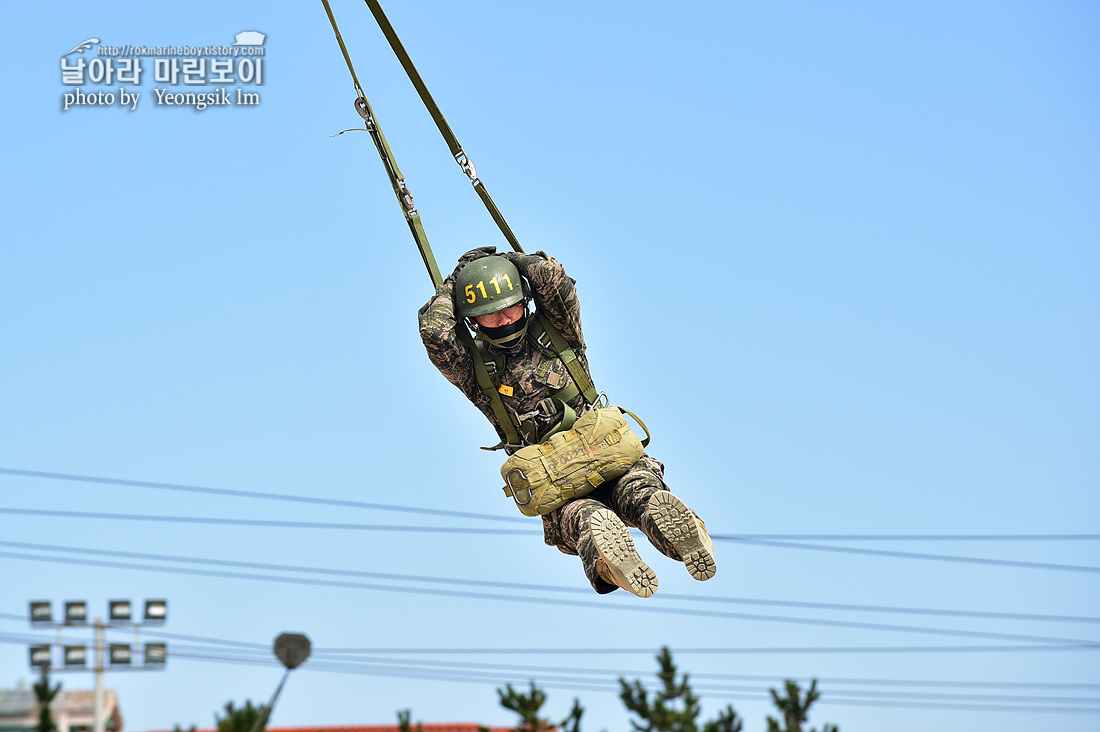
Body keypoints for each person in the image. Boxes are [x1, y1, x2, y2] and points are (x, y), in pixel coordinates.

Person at [418, 246, 715, 597]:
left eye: (511, 306)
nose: (505, 319)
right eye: (491, 314)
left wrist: (514, 262)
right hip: (556, 478)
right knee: (588, 520)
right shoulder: (473, 367)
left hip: (606, 453)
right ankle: (616, 560)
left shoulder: (559, 329)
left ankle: (682, 533)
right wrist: (452, 287)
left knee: (639, 495)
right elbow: (436, 333)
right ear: (471, 320)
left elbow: (551, 277)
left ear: (525, 299)